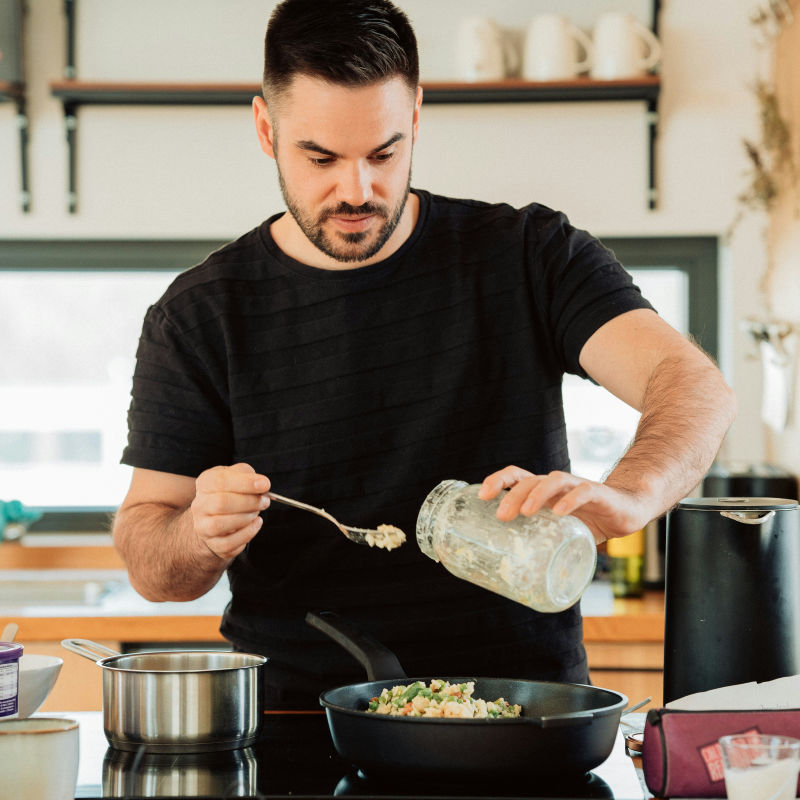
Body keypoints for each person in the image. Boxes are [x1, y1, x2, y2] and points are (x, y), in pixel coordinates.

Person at [112, 0, 736, 708]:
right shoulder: (199, 316)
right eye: (320, 157)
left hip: (522, 715)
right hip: (303, 726)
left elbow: (692, 384)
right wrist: (198, 533)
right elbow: (154, 562)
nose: (357, 191)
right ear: (266, 128)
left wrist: (631, 495)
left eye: (384, 153)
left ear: (416, 117)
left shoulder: (528, 256)